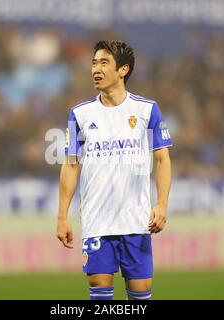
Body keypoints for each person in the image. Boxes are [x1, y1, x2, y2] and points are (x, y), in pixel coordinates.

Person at [57, 40, 172, 300]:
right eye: (94, 62)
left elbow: (163, 160)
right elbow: (71, 164)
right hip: (97, 222)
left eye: (104, 62)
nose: (95, 69)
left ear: (123, 70)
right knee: (100, 296)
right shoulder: (80, 114)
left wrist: (162, 204)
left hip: (137, 222)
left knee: (141, 297)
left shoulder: (147, 110)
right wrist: (62, 216)